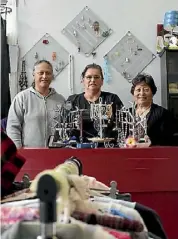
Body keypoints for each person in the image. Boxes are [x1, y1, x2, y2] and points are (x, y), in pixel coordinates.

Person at [6, 60, 65, 148]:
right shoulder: (21, 98)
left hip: (55, 154)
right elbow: (13, 128)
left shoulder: (61, 100)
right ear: (34, 74)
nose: (44, 76)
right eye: (41, 73)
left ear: (52, 76)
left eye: (48, 73)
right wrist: (18, 151)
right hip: (30, 154)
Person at [67, 63, 123, 141]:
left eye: (96, 77)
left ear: (102, 81)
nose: (93, 80)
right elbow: (65, 125)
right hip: (79, 147)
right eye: (89, 77)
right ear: (83, 80)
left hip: (107, 146)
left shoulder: (112, 99)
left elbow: (122, 124)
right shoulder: (73, 100)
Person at [130, 73, 176, 146]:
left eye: (146, 90)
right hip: (128, 154)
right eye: (138, 90)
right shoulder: (126, 113)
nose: (142, 93)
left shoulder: (163, 113)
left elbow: (170, 139)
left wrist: (151, 142)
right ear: (133, 93)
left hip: (154, 155)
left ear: (152, 92)